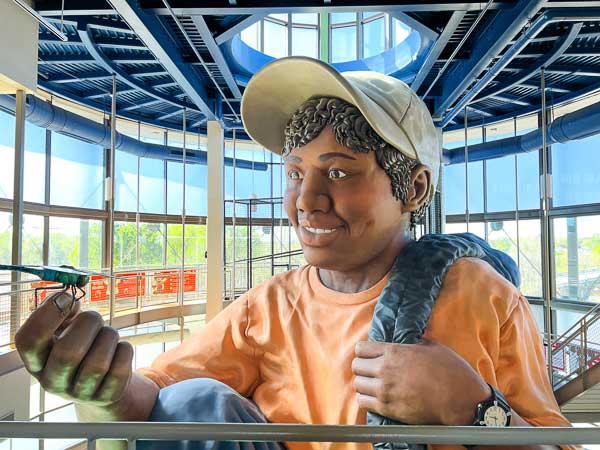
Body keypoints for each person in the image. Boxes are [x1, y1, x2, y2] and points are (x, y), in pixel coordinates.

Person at [15, 56, 576, 450]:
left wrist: (476, 410)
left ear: (414, 190)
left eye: (338, 172)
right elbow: (155, 401)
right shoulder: (268, 307)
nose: (306, 201)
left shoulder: (483, 296)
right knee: (195, 404)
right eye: (295, 173)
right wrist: (102, 393)